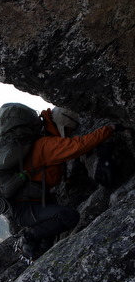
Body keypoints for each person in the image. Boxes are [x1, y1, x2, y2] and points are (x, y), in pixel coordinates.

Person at [11, 107, 116, 262]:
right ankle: (27, 239)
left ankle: (35, 254)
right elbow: (79, 146)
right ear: (62, 126)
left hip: (30, 203)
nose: (69, 134)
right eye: (68, 130)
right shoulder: (47, 144)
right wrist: (109, 129)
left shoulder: (42, 139)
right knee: (69, 216)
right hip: (27, 208)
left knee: (50, 233)